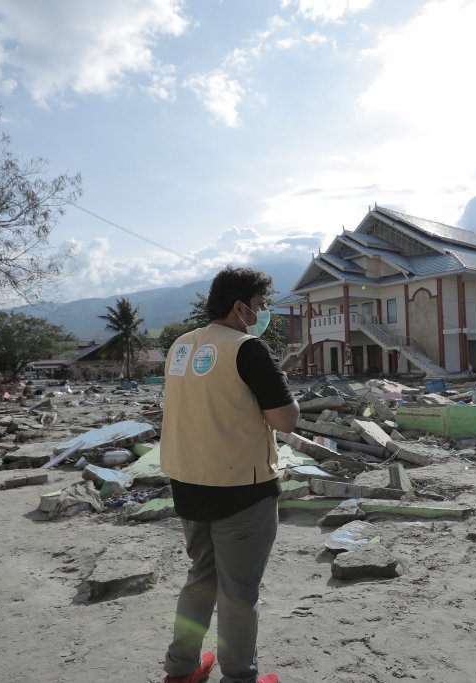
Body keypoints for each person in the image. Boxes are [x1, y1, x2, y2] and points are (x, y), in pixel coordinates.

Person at [160, 266, 299, 683]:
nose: (260, 314)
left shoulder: (180, 347)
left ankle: (181, 669)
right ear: (240, 307)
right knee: (239, 593)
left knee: (201, 579)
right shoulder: (247, 347)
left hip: (187, 483)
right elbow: (285, 419)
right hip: (242, 489)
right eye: (258, 306)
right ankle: (240, 677)